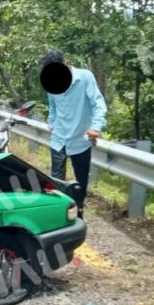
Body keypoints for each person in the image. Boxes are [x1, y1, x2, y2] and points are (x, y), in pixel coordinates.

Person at [41, 50, 107, 217]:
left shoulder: (84, 77)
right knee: (56, 180)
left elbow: (98, 104)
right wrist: (51, 123)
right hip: (59, 138)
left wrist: (96, 127)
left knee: (81, 181)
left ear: (66, 63)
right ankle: (59, 214)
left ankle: (79, 212)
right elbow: (53, 107)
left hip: (80, 139)